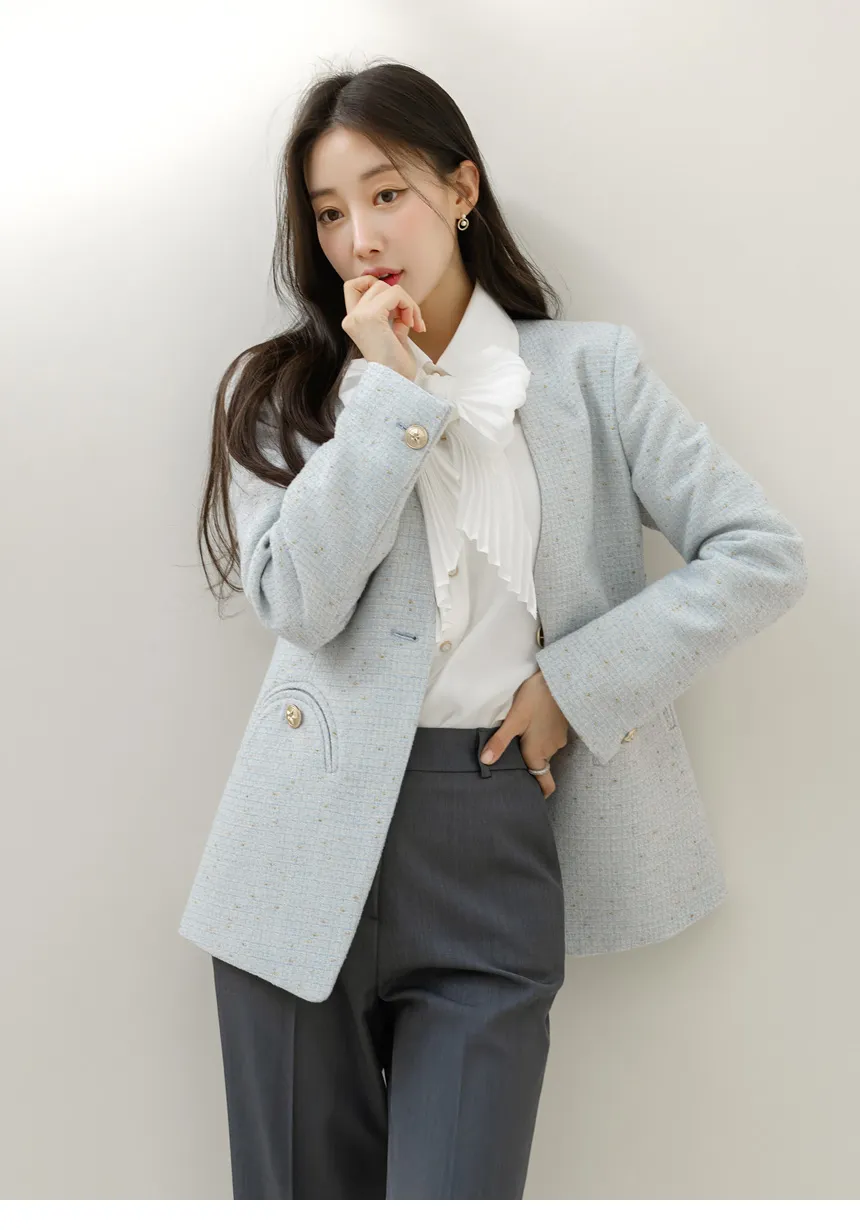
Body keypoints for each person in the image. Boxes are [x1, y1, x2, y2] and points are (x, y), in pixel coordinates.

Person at [178, 60, 808, 1199]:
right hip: (299, 847)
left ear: (461, 189)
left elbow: (759, 553)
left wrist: (576, 684)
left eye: (387, 193)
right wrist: (387, 394)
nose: (361, 237)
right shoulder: (292, 394)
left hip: (491, 826)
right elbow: (299, 604)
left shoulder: (588, 374)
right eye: (329, 213)